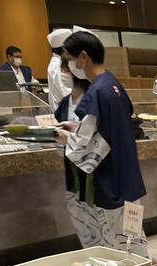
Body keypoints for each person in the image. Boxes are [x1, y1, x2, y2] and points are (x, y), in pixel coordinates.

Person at [55, 30, 150, 257]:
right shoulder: (114, 86)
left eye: (70, 58)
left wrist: (65, 137)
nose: (69, 64)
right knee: (133, 240)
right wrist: (77, 130)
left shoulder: (96, 92)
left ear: (83, 57)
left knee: (117, 247)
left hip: (111, 183)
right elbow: (106, 131)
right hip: (129, 180)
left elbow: (86, 145)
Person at [54, 64, 102, 248]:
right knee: (80, 216)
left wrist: (73, 136)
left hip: (94, 170)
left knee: (101, 217)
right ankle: (93, 257)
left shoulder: (95, 97)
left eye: (66, 69)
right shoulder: (65, 102)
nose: (64, 73)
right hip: (73, 171)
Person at [47, 29, 73, 112]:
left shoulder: (57, 62)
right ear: (65, 48)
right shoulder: (57, 66)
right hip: (65, 112)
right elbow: (66, 92)